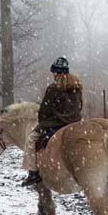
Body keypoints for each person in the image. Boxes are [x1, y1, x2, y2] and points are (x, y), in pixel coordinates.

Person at [22, 57, 83, 186]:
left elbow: (44, 110)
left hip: (56, 123)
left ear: (56, 73)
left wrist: (43, 121)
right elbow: (79, 106)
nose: (53, 75)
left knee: (31, 139)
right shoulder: (77, 86)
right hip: (75, 122)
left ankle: (33, 173)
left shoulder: (53, 88)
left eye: (54, 72)